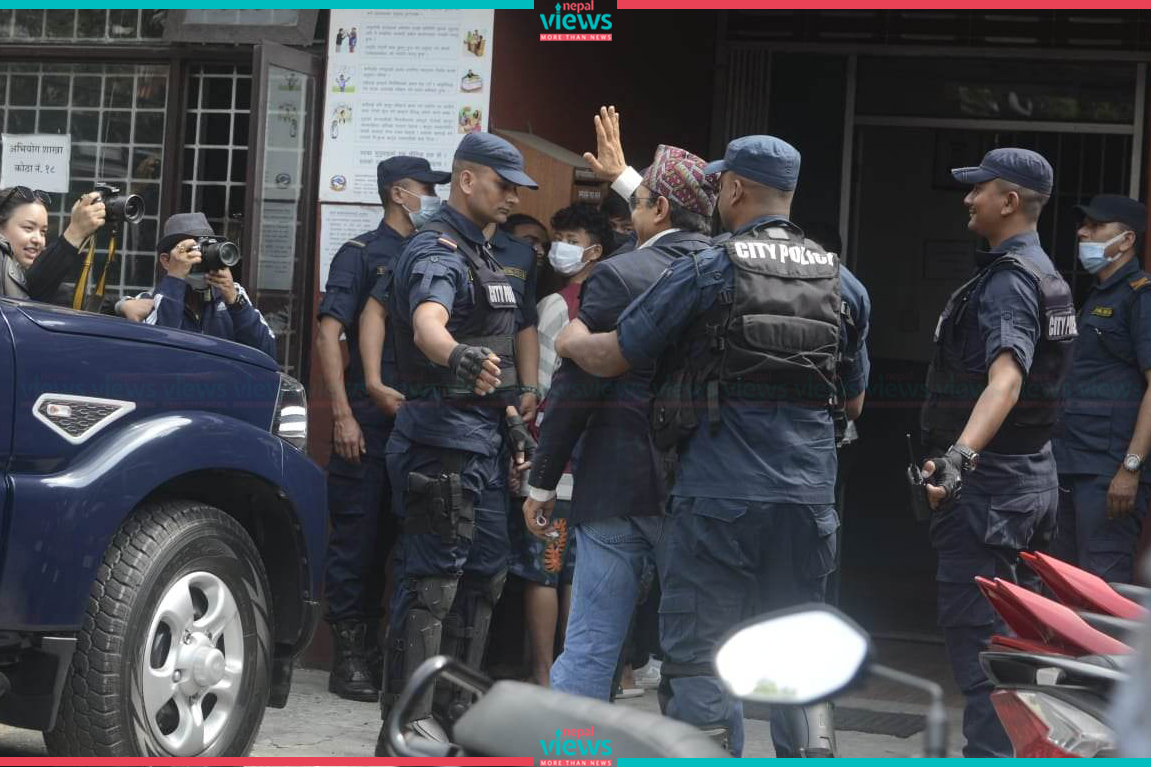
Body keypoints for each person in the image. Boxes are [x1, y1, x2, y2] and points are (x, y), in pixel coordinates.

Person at [554, 130, 870, 757]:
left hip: (716, 498)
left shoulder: (708, 269)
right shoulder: (843, 282)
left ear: (735, 189)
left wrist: (570, 340)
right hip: (808, 501)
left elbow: (616, 354)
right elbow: (854, 402)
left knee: (702, 655)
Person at [524, 118, 718, 706]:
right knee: (700, 655)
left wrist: (542, 482)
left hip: (616, 486)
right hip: (698, 488)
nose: (633, 210)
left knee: (589, 647)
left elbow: (573, 392)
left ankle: (570, 748)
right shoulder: (726, 271)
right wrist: (628, 179)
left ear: (658, 209)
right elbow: (675, 215)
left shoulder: (620, 273)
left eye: (641, 201)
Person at [375, 132, 537, 750]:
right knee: (432, 585)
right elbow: (428, 324)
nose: (512, 198)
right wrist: (455, 356)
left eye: (517, 188)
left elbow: (493, 351)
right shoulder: (436, 249)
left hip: (484, 441)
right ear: (467, 180)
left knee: (485, 578)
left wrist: (511, 417)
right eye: (503, 185)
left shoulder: (484, 253)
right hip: (440, 442)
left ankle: (455, 712)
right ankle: (407, 723)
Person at [917, 148, 1074, 757]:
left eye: (977, 189)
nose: (967, 198)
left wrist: (959, 457)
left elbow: (1005, 381)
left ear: (1008, 201)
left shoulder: (1009, 282)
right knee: (1017, 647)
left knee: (984, 652)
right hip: (1030, 479)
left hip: (992, 491)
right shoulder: (1046, 273)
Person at [315, 156, 451, 702]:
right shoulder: (361, 253)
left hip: (421, 419)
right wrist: (342, 414)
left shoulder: (437, 251)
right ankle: (350, 655)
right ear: (398, 193)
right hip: (368, 420)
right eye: (426, 189)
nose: (433, 199)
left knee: (410, 540)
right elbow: (329, 335)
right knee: (358, 539)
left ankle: (394, 657)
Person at [507, 203, 613, 687]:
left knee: (544, 573)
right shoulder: (617, 304)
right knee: (576, 576)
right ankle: (575, 677)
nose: (559, 249)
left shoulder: (556, 305)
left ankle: (543, 674)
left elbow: (543, 386)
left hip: (554, 464)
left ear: (595, 250)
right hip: (596, 464)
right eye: (558, 239)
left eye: (571, 240)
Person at [1052, 194, 1151, 584]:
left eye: (1095, 226)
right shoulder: (1097, 296)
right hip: (1070, 463)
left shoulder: (1141, 298)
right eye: (1083, 225)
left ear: (1126, 240)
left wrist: (1130, 468)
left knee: (1100, 590)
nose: (1083, 232)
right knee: (1063, 586)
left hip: (1108, 474)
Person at [136, 212, 276, 357]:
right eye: (192, 251)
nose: (201, 259)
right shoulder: (147, 300)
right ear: (166, 261)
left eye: (206, 250)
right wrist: (175, 279)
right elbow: (154, 352)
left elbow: (267, 352)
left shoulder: (235, 293)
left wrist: (235, 302)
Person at [0, 186, 105, 302]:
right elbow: (31, 293)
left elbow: (63, 297)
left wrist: (117, 305)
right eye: (28, 228)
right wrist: (75, 233)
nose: (38, 240)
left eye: (43, 232)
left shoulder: (22, 274)